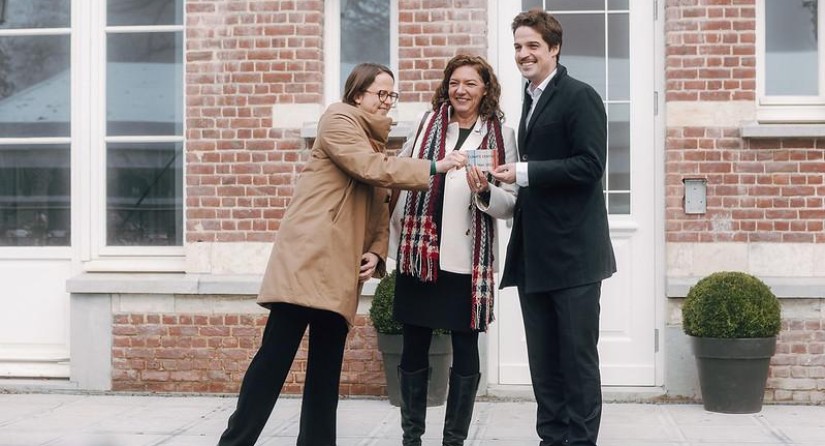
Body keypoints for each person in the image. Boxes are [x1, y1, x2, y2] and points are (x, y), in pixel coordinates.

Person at [217, 63, 467, 446]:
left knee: (326, 367)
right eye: (380, 93)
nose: (387, 102)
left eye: (391, 95)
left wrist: (377, 252)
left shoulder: (378, 144)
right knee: (274, 359)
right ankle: (235, 441)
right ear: (356, 95)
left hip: (342, 267)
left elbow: (381, 205)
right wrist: (434, 165)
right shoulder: (338, 120)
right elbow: (368, 169)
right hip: (307, 260)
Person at [490, 10, 617, 446]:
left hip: (576, 255)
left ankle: (580, 440)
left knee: (577, 360)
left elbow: (590, 165)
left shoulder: (580, 96)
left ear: (554, 48)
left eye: (532, 46)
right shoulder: (528, 99)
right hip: (536, 254)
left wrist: (523, 172)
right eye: (518, 47)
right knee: (543, 360)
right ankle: (551, 438)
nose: (523, 54)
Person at [389, 54, 518, 446]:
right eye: (455, 82)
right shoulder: (427, 124)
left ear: (485, 90)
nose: (461, 90)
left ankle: (453, 440)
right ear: (447, 86)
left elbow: (510, 203)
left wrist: (485, 190)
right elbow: (404, 171)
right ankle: (411, 437)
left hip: (466, 261)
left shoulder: (502, 135)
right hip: (420, 254)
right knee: (413, 345)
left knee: (465, 348)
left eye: (470, 84)